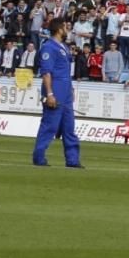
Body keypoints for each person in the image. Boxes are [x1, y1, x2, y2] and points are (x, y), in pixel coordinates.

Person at [32, 18, 82, 168]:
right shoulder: (48, 47)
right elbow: (46, 73)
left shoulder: (63, 47)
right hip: (55, 87)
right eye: (66, 27)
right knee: (50, 125)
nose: (67, 30)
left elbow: (65, 70)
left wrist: (70, 88)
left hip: (65, 88)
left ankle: (72, 160)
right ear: (60, 29)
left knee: (69, 126)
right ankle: (39, 157)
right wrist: (49, 94)